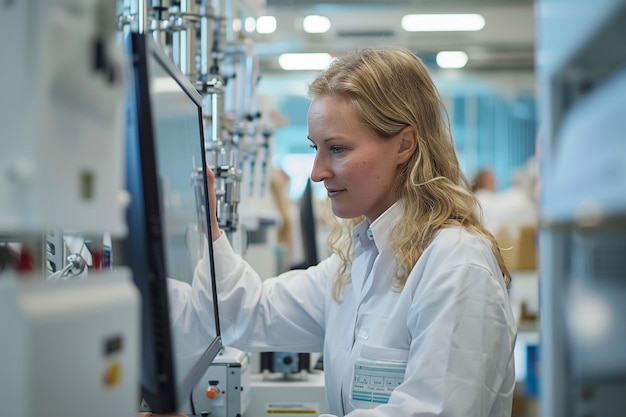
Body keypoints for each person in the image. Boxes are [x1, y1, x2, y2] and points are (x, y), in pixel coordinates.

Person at [169, 46, 517, 417]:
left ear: (404, 144)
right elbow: (249, 312)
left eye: (336, 149)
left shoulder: (457, 265)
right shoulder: (360, 260)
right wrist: (204, 230)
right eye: (315, 148)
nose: (317, 172)